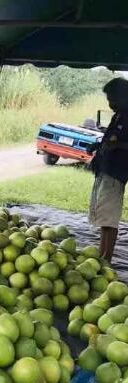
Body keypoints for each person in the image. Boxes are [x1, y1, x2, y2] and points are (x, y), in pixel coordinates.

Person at [89, 77, 128, 262]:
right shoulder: (118, 115)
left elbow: (118, 142)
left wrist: (119, 145)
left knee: (109, 218)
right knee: (103, 216)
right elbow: (108, 139)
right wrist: (97, 150)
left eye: (112, 99)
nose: (110, 104)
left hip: (116, 173)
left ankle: (107, 258)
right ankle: (101, 254)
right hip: (105, 170)